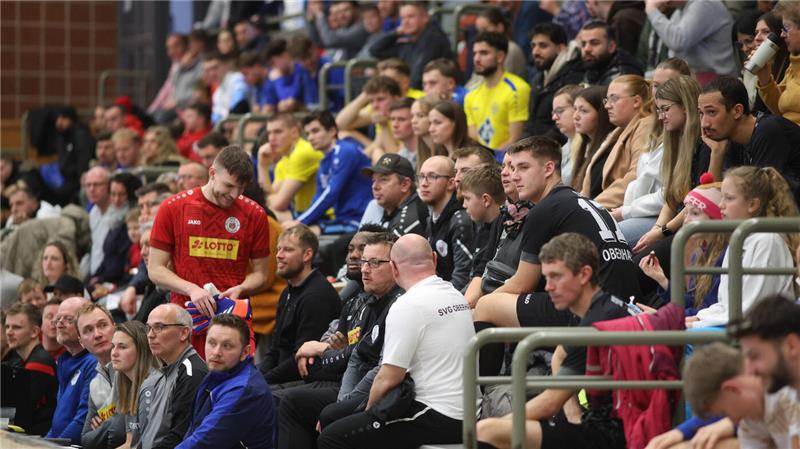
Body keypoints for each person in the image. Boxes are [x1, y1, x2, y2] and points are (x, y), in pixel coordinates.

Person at [473, 137, 639, 367]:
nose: (514, 176)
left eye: (523, 167)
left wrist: (474, 311)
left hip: (594, 311)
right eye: (511, 168)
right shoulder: (581, 201)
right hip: (622, 306)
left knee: (487, 306)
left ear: (549, 168)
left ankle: (485, 393)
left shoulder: (545, 210)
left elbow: (521, 285)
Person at [317, 234, 475, 448]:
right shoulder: (455, 294)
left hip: (439, 414)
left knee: (332, 436)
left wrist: (367, 415)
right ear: (435, 259)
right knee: (336, 417)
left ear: (393, 267)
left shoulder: (407, 305)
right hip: (468, 410)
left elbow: (387, 378)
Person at [476, 233, 633, 449]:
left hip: (610, 434)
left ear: (584, 274)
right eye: (546, 277)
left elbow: (550, 402)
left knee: (487, 432)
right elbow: (560, 353)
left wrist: (497, 425)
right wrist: (572, 410)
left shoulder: (596, 322)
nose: (548, 287)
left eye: (556, 277)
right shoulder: (597, 307)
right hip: (599, 421)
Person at [276, 231, 404, 449]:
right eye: (364, 261)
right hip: (348, 380)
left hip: (383, 392)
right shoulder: (362, 302)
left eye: (373, 263)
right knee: (273, 395)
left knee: (290, 402)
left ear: (396, 267)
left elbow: (368, 363)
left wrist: (325, 353)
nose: (363, 268)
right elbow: (352, 356)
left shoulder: (399, 305)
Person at [149, 146, 269, 356]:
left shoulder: (255, 214)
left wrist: (241, 288)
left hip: (232, 318)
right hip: (184, 317)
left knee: (237, 385)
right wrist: (192, 289)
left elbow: (261, 274)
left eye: (240, 188)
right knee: (187, 386)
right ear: (212, 173)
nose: (234, 194)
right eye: (229, 186)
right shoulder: (173, 208)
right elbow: (155, 269)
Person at [690, 166, 798, 328]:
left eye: (729, 198)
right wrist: (697, 319)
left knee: (679, 339)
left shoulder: (767, 241)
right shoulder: (739, 239)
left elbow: (752, 310)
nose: (721, 205)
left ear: (753, 204)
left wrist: (694, 326)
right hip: (734, 325)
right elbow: (726, 305)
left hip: (758, 331)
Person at [175, 315, 275, 449]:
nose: (216, 352)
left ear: (245, 352)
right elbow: (194, 430)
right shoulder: (219, 373)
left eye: (227, 346)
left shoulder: (244, 390)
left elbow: (202, 442)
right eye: (212, 343)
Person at [261, 225, 340, 386]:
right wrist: (257, 377)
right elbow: (275, 348)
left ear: (307, 255)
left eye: (288, 250)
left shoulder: (316, 297)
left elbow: (300, 361)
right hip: (282, 374)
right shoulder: (288, 291)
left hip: (306, 379)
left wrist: (261, 382)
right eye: (278, 249)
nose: (278, 256)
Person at [681, 342, 799, 449]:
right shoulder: (750, 422)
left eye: (724, 413)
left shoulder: (788, 391)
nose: (732, 421)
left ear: (731, 389)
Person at [699, 76, 800, 199]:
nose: (704, 123)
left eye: (712, 112)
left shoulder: (769, 131)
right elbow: (712, 201)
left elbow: (761, 200)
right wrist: (717, 153)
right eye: (701, 113)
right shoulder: (732, 139)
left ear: (737, 111)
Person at [639, 177, 725, 318]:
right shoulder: (700, 253)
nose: (686, 220)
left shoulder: (724, 257)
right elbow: (692, 302)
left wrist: (661, 317)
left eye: (695, 213)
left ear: (715, 218)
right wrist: (662, 279)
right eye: (686, 213)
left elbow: (708, 313)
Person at [463, 153, 531, 307]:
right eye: (503, 166)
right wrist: (464, 305)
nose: (504, 172)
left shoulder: (538, 215)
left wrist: (483, 305)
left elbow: (524, 283)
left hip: (515, 299)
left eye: (512, 167)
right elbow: (482, 269)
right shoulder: (502, 217)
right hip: (491, 296)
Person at [291, 111, 372, 234]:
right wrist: (299, 220)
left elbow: (331, 194)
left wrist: (299, 222)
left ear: (332, 131)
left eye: (315, 131)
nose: (310, 137)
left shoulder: (345, 150)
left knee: (304, 233)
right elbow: (318, 197)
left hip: (358, 220)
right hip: (341, 218)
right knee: (289, 220)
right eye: (307, 133)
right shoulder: (324, 161)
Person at [139, 304, 208, 449]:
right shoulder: (165, 371)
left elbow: (180, 436)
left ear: (183, 333)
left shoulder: (192, 372)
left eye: (159, 327)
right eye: (148, 328)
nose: (150, 335)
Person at [580, 75, 653, 210]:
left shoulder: (645, 126)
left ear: (636, 101)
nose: (607, 106)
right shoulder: (620, 130)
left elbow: (635, 176)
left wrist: (591, 208)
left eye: (614, 99)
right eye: (606, 100)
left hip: (619, 212)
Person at [465, 32, 531, 151]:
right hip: (480, 162)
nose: (476, 59)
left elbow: (515, 139)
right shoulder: (470, 95)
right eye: (474, 53)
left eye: (484, 53)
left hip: (506, 162)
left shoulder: (517, 89)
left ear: (500, 56)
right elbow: (473, 140)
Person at [645, 0, 737, 83]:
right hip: (692, 78)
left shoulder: (704, 4)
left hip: (717, 84)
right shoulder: (680, 11)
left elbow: (678, 41)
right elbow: (674, 59)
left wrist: (652, 10)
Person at [418, 155, 474, 291]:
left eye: (432, 176)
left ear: (450, 183)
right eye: (421, 176)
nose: (424, 183)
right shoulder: (432, 217)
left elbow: (463, 277)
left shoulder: (461, 221)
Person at [46, 296, 97, 444]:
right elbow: (58, 422)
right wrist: (43, 444)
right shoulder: (64, 360)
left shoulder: (93, 362)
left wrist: (51, 446)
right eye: (58, 319)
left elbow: (82, 420)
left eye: (68, 319)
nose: (59, 324)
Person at [368, 2, 454, 89]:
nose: (405, 22)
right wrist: (396, 32)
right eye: (402, 18)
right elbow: (375, 50)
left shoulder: (433, 38)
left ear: (425, 18)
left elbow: (417, 79)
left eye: (410, 17)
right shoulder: (409, 40)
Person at [3, 302, 57, 435]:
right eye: (7, 326)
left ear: (34, 332)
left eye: (16, 327)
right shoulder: (18, 360)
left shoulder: (40, 362)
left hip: (39, 438)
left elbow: (17, 408)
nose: (9, 332)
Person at [523, 23, 585, 140]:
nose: (535, 52)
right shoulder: (538, 78)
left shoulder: (574, 77)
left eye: (543, 46)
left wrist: (538, 147)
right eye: (533, 46)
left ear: (560, 48)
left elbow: (566, 126)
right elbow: (530, 123)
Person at [258, 113, 323, 218]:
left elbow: (278, 204)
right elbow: (269, 197)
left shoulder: (302, 153)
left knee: (262, 215)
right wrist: (262, 166)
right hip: (305, 214)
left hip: (324, 216)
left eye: (278, 132)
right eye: (269, 133)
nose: (271, 138)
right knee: (259, 213)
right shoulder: (283, 161)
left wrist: (270, 199)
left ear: (294, 132)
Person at [77, 303, 123, 449]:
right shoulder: (95, 384)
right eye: (88, 330)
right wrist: (112, 423)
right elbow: (86, 439)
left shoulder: (133, 369)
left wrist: (104, 424)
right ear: (81, 342)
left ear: (115, 327)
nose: (97, 334)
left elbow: (121, 429)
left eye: (103, 325)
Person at [110, 321, 159, 449]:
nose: (114, 353)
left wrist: (101, 418)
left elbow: (147, 444)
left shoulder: (152, 385)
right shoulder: (127, 383)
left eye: (122, 347)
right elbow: (130, 442)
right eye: (113, 346)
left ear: (141, 349)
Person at [755, 1, 800, 125]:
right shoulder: (793, 65)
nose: (782, 34)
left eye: (787, 28)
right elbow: (780, 110)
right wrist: (765, 79)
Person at [363, 153, 429, 237]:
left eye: (383, 180)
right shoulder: (398, 209)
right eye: (373, 180)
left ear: (405, 184)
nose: (374, 186)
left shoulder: (404, 224)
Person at [84, 166, 128, 282]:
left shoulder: (120, 214)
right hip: (95, 274)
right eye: (88, 185)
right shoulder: (93, 212)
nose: (92, 189)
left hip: (112, 277)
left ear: (109, 186)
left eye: (97, 184)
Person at [148, 33, 203, 124]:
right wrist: (151, 111)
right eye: (169, 48)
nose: (171, 52)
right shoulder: (176, 66)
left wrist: (177, 102)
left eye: (176, 46)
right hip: (171, 107)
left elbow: (198, 94)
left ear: (187, 46)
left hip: (184, 109)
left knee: (160, 118)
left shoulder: (201, 66)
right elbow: (165, 91)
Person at [570, 85, 615, 190]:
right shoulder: (586, 145)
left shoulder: (609, 150)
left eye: (583, 111)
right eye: (575, 109)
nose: (575, 116)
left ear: (602, 114)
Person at [578, 20, 643, 86]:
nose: (586, 49)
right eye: (583, 44)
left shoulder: (624, 72)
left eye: (594, 43)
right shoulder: (593, 65)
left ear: (611, 47)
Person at [262, 38, 315, 114]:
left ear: (285, 55)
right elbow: (268, 107)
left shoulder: (301, 68)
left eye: (273, 62)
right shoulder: (273, 75)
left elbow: (290, 101)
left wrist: (278, 80)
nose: (273, 67)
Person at [550, 85, 583, 187]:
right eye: (553, 112)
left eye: (560, 111)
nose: (554, 117)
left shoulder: (590, 147)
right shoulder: (564, 149)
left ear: (578, 108)